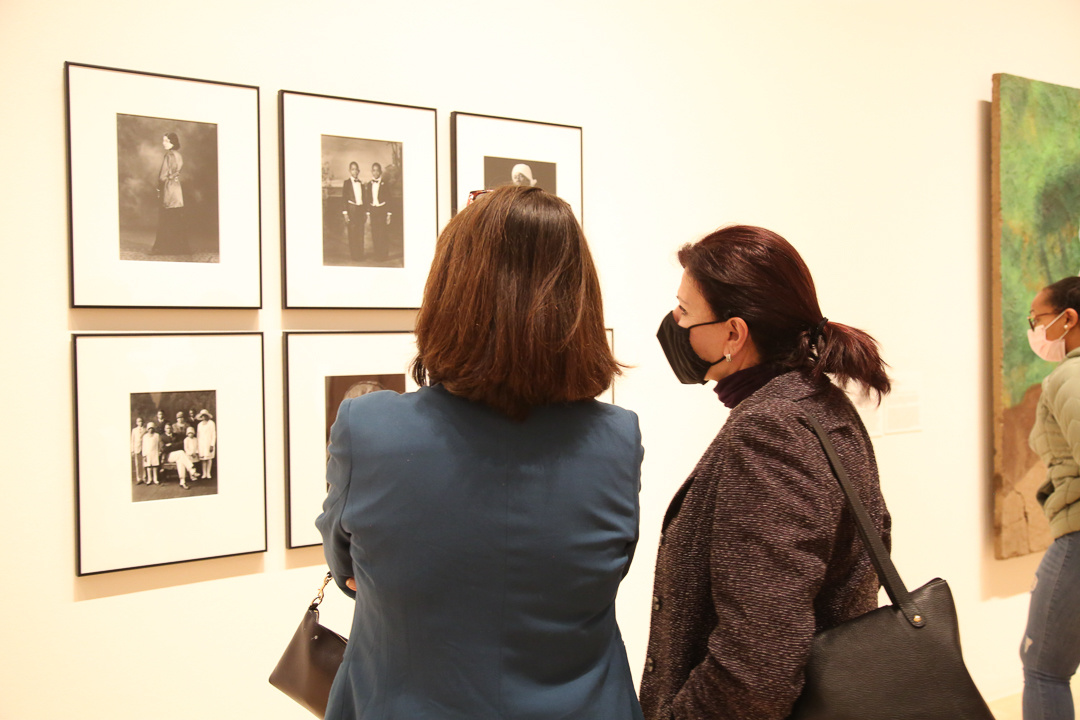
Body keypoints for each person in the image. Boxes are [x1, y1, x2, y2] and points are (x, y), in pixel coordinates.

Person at [316, 184, 644, 720]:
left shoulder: (368, 427)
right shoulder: (616, 439)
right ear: (577, 302)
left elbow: (346, 566)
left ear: (450, 292)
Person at [640, 224, 892, 720]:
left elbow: (758, 666)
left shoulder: (771, 430)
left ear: (733, 334)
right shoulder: (819, 404)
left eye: (685, 312)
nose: (674, 321)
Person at [1021, 276, 1080, 720]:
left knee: (1043, 668)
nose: (1034, 330)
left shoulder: (1070, 376)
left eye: (1037, 319)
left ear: (1068, 319)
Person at [151, 132, 187, 255]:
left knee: (166, 217)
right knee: (176, 217)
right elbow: (178, 171)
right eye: (163, 140)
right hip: (177, 188)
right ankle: (178, 247)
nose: (163, 143)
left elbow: (162, 176)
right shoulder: (179, 155)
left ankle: (163, 248)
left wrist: (159, 187)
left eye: (166, 141)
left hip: (168, 188)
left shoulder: (169, 155)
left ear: (172, 142)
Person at [341, 161, 366, 262]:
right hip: (351, 210)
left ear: (358, 171)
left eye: (356, 169)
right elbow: (344, 199)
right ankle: (354, 255)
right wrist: (345, 214)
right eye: (352, 169)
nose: (355, 171)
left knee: (360, 233)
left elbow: (364, 198)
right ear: (349, 171)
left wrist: (365, 212)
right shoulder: (346, 183)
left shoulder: (361, 183)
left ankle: (360, 254)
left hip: (360, 210)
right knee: (352, 233)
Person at [366, 163, 391, 260]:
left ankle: (383, 255)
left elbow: (389, 199)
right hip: (373, 210)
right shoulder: (369, 184)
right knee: (375, 233)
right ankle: (377, 254)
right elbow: (368, 199)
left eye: (377, 170)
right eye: (374, 170)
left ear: (380, 172)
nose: (375, 172)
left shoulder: (385, 184)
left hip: (382, 210)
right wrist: (368, 213)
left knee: (382, 233)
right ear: (371, 172)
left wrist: (389, 214)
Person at [162, 424, 198, 489]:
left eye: (170, 428)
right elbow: (163, 449)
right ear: (165, 429)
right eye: (167, 428)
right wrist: (173, 446)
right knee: (181, 453)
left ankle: (182, 482)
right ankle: (192, 470)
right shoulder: (162, 437)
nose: (169, 429)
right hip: (169, 456)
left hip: (177, 455)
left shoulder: (176, 435)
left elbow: (181, 444)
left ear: (172, 429)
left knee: (180, 461)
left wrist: (170, 445)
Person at [196, 410, 216, 480]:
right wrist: (198, 446)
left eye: (205, 415)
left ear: (207, 416)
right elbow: (198, 435)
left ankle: (208, 473)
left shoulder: (211, 423)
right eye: (202, 416)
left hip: (208, 442)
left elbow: (213, 434)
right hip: (201, 443)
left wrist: (212, 444)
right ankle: (204, 473)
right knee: (203, 459)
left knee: (209, 458)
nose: (203, 417)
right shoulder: (199, 425)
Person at [131, 417, 145, 484]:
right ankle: (138, 478)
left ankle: (144, 478)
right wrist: (132, 450)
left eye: (141, 421)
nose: (140, 423)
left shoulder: (145, 430)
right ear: (137, 423)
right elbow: (132, 440)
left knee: (144, 463)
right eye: (139, 421)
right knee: (137, 464)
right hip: (137, 448)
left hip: (144, 448)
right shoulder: (134, 430)